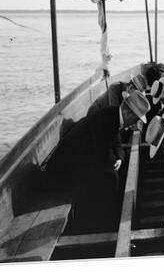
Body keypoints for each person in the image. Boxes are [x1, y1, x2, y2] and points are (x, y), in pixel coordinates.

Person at [45, 90, 150, 231]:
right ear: (127, 113)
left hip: (81, 159)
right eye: (136, 119)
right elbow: (102, 157)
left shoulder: (113, 115)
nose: (135, 124)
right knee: (110, 179)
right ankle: (103, 224)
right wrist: (114, 165)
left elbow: (116, 144)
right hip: (62, 170)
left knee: (115, 173)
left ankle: (110, 216)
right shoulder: (106, 120)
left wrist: (119, 158)